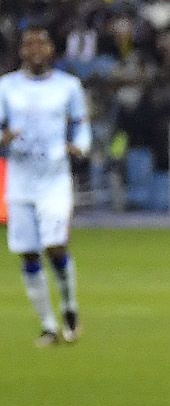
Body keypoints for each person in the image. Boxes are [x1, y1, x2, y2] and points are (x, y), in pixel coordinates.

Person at [0, 27, 91, 345]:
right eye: (29, 44)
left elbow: (81, 125)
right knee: (27, 253)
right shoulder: (6, 87)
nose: (35, 49)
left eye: (41, 43)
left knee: (55, 246)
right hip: (21, 177)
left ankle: (69, 307)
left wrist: (80, 146)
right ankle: (48, 325)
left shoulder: (68, 86)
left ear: (52, 49)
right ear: (21, 51)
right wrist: (3, 139)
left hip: (54, 177)